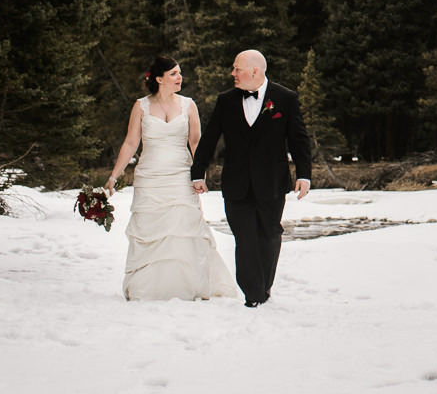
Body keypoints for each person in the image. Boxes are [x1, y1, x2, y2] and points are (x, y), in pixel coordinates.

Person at [106, 57, 238, 301]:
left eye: (180, 73)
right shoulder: (141, 106)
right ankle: (150, 287)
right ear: (159, 79)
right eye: (174, 74)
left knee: (183, 227)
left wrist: (199, 175)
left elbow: (196, 142)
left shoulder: (188, 105)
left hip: (181, 174)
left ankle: (188, 284)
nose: (180, 78)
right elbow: (131, 142)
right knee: (151, 229)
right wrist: (114, 175)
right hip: (150, 176)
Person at [191, 49, 312, 307]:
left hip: (272, 182)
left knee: (269, 235)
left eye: (237, 69)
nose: (232, 73)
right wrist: (198, 171)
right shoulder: (226, 100)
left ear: (254, 71)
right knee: (244, 237)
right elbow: (210, 136)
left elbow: (299, 139)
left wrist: (304, 174)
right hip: (236, 183)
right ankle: (253, 294)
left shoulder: (285, 98)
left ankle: (263, 287)